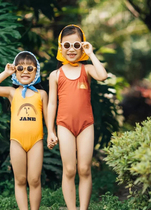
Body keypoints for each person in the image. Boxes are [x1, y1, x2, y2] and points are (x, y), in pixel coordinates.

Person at [47, 24, 108, 210]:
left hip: (85, 125)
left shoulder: (87, 70)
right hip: (64, 125)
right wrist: (50, 130)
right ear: (60, 47)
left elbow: (103, 76)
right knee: (70, 169)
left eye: (76, 45)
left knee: (84, 169)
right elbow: (52, 104)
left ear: (82, 46)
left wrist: (91, 54)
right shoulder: (55, 75)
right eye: (67, 45)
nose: (71, 49)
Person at [0, 51, 48, 210]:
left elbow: (48, 117)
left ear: (37, 71)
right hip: (17, 142)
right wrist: (6, 73)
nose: (25, 71)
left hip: (36, 142)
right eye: (20, 68)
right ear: (15, 71)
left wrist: (52, 134)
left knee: (34, 180)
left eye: (30, 68)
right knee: (20, 180)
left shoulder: (41, 94)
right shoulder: (12, 92)